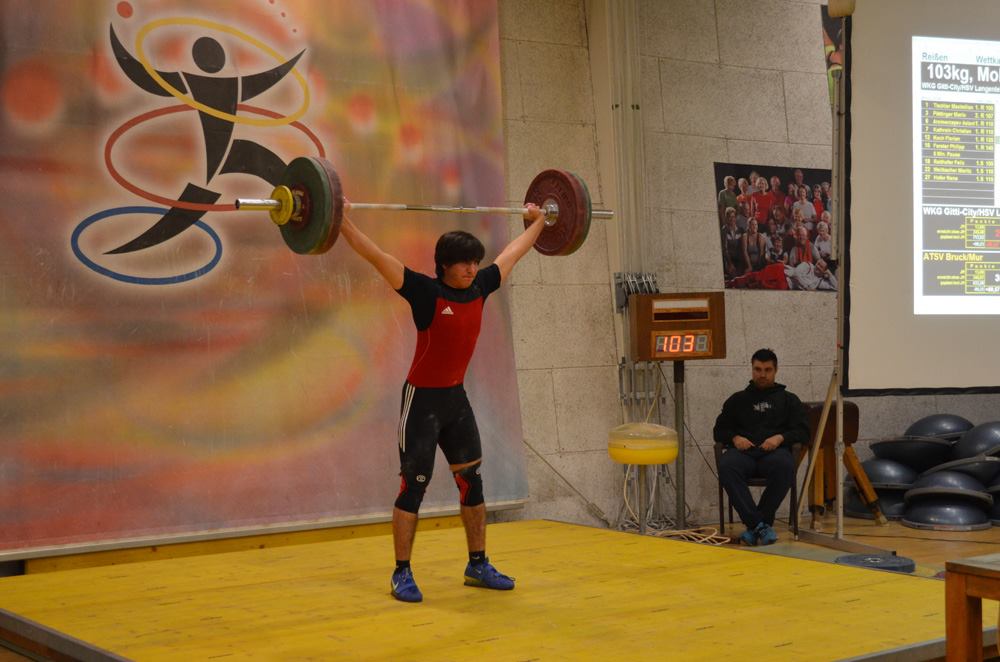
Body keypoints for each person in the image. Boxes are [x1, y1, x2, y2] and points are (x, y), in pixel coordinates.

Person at [338, 199, 548, 603]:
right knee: (412, 487)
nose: (471, 269)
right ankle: (401, 572)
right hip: (421, 403)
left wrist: (538, 222)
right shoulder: (423, 292)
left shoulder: (481, 287)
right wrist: (341, 221)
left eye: (474, 261)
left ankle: (478, 564)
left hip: (455, 401)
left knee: (472, 482)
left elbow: (514, 252)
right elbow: (375, 255)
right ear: (444, 264)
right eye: (463, 263)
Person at [713, 349, 809, 546]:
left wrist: (781, 437)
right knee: (727, 466)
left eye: (767, 369)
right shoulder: (737, 400)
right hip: (743, 453)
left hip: (774, 453)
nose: (762, 374)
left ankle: (754, 526)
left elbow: (803, 432)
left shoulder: (790, 400)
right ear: (751, 369)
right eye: (757, 369)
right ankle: (760, 525)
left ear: (776, 370)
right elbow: (719, 431)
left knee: (785, 466)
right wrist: (735, 437)